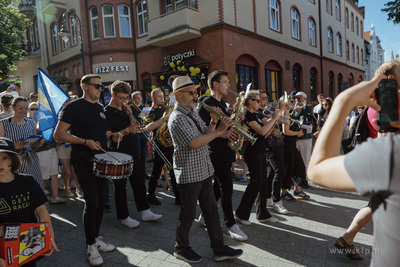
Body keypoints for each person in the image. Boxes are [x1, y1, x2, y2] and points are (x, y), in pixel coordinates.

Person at [308, 59, 400, 267]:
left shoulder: (378, 107)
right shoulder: (382, 108)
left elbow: (317, 169)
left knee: (374, 206)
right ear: (391, 80)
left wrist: (344, 100)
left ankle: (347, 238)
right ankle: (347, 238)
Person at [168, 76, 243, 263]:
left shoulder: (192, 112)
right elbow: (194, 143)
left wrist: (213, 121)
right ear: (178, 95)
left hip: (203, 169)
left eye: (195, 91)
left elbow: (204, 134)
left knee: (211, 211)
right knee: (188, 214)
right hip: (189, 173)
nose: (195, 95)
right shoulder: (177, 117)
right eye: (191, 92)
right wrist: (219, 131)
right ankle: (181, 248)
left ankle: (219, 249)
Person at [54, 74, 115, 266]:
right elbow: (59, 134)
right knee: (93, 201)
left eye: (102, 87)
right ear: (85, 86)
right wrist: (85, 142)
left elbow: (99, 132)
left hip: (102, 162)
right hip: (83, 161)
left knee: (99, 202)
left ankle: (96, 239)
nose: (100, 89)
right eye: (97, 86)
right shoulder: (74, 107)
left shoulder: (99, 108)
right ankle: (90, 246)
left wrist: (112, 136)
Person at [104, 80, 161, 229]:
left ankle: (145, 211)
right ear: (113, 95)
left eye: (126, 98)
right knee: (120, 185)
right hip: (117, 152)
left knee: (139, 179)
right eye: (121, 98)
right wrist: (126, 130)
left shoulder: (126, 109)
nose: (124, 101)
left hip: (132, 148)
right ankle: (124, 216)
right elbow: (107, 135)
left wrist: (130, 115)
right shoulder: (106, 112)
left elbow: (135, 128)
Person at [198, 70, 247, 241]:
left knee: (218, 188)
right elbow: (201, 130)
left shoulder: (223, 103)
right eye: (225, 82)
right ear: (215, 84)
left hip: (225, 151)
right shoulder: (206, 103)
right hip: (215, 151)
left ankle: (204, 215)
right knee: (227, 188)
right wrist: (222, 134)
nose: (228, 85)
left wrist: (235, 119)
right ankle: (230, 225)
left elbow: (225, 124)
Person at [0, 137, 59, 266]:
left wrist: (49, 239)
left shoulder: (27, 181)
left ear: (13, 159)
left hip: (27, 242)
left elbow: (42, 211)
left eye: (5, 158)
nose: (0, 163)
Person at [235, 90, 279, 225]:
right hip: (252, 153)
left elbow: (263, 135)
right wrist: (274, 118)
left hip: (260, 150)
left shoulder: (256, 114)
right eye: (258, 101)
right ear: (250, 101)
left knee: (262, 183)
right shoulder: (247, 114)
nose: (260, 103)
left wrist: (272, 125)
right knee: (255, 183)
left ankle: (262, 214)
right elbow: (261, 130)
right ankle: (241, 214)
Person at [0, 97, 48, 207]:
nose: (23, 111)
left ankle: (38, 215)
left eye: (26, 108)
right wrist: (14, 146)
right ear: (13, 107)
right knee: (17, 190)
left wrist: (38, 143)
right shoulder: (3, 123)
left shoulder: (31, 123)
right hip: (13, 163)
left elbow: (34, 147)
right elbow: (0, 147)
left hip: (31, 161)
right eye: (20, 108)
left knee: (35, 187)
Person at [146, 88, 180, 205]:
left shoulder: (166, 109)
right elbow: (147, 127)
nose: (162, 98)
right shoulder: (148, 111)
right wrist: (164, 119)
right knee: (156, 171)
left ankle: (178, 196)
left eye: (162, 96)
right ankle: (150, 195)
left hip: (170, 143)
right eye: (159, 96)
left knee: (173, 170)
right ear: (153, 98)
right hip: (159, 144)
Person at [131, 91, 149, 178]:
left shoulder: (143, 108)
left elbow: (145, 121)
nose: (138, 100)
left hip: (143, 132)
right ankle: (138, 172)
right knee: (137, 153)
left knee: (144, 154)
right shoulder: (130, 108)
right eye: (137, 98)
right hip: (136, 133)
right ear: (133, 99)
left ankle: (143, 172)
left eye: (140, 98)